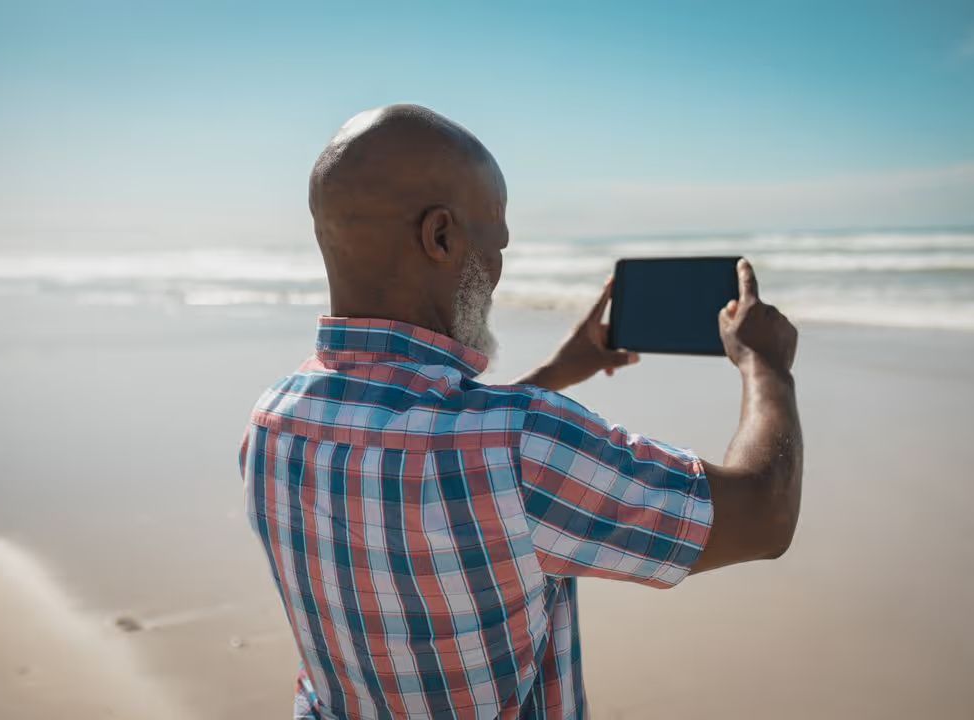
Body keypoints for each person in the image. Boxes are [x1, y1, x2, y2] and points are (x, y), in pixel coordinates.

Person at [240, 104, 802, 720]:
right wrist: (765, 367)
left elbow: (423, 442)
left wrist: (561, 370)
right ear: (442, 237)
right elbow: (764, 515)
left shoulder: (272, 421)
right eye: (497, 240)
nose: (500, 269)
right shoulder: (518, 445)